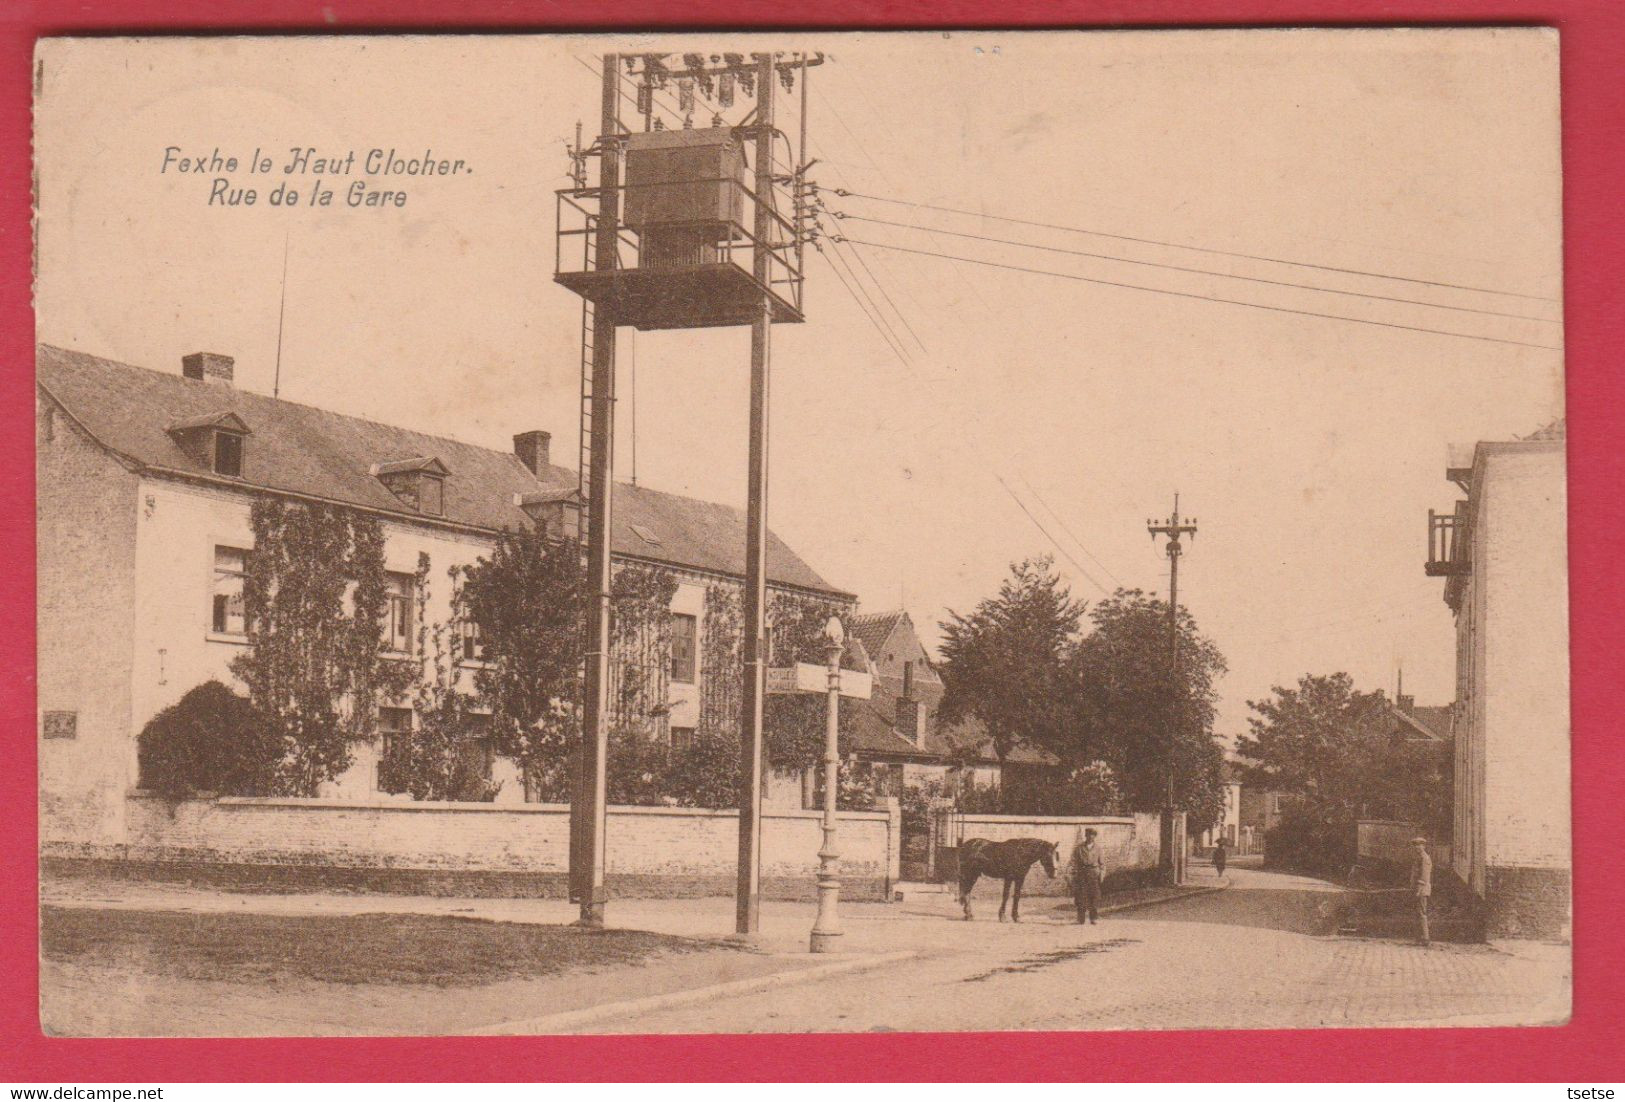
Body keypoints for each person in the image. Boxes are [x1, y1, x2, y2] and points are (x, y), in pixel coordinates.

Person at [1072, 827, 1105, 925]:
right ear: (1086, 836)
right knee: (1080, 896)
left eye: (1093, 835)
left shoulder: (1098, 848)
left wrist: (1102, 874)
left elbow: (1102, 863)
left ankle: (1093, 918)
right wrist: (1072, 874)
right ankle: (1080, 918)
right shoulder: (1079, 848)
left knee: (1093, 896)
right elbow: (1073, 862)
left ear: (1095, 837)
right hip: (1082, 873)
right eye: (1089, 835)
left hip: (1094, 873)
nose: (1091, 837)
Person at [1410, 836, 1432, 946]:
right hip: (1418, 888)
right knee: (1418, 913)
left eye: (1419, 845)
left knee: (1422, 913)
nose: (1417, 847)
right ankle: (1419, 938)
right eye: (1415, 845)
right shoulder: (1419, 857)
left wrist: (1418, 889)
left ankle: (1425, 938)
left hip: (1422, 889)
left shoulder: (1424, 858)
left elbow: (1424, 875)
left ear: (1424, 846)